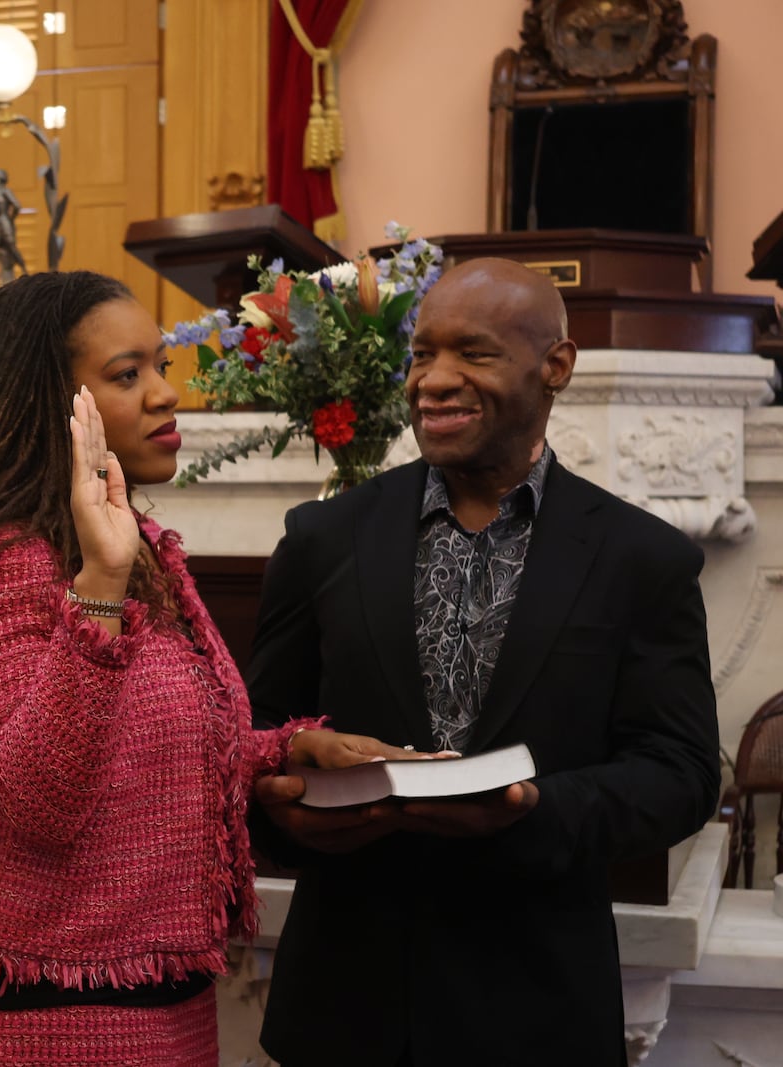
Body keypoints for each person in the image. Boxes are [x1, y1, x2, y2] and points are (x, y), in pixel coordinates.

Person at [0, 270, 414, 1066]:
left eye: (159, 366)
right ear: (50, 404)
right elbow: (38, 797)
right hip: (51, 1007)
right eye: (127, 375)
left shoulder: (139, 553)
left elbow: (148, 752)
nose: (167, 394)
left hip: (160, 991)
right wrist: (98, 587)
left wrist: (288, 748)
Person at [247, 257, 721, 1066]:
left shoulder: (641, 557)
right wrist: (282, 813)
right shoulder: (324, 539)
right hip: (347, 1007)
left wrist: (531, 811)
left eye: (474, 353)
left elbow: (680, 773)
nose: (434, 380)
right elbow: (250, 736)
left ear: (555, 366)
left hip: (538, 1010)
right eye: (422, 354)